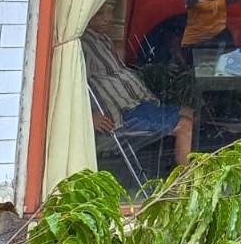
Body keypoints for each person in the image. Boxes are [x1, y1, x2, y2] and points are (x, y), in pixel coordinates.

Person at [84, 27, 195, 173]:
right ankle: (185, 185)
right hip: (125, 112)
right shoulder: (80, 44)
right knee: (185, 125)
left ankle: (178, 162)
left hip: (139, 102)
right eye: (102, 11)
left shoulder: (102, 39)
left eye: (110, 10)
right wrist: (89, 114)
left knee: (190, 113)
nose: (108, 17)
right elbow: (73, 84)